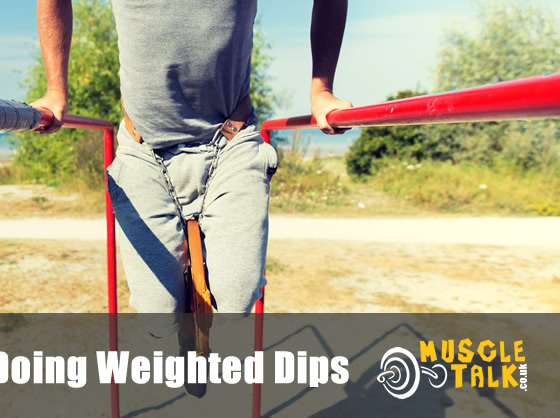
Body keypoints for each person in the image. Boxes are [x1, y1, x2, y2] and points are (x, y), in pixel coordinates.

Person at [31, 0, 352, 395]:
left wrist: (322, 90)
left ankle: (197, 296)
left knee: (236, 304)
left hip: (230, 139)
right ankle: (185, 324)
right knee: (157, 319)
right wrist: (54, 89)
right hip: (143, 147)